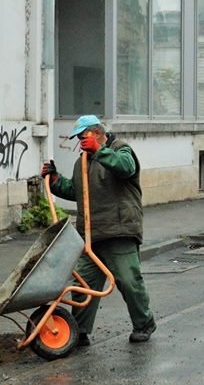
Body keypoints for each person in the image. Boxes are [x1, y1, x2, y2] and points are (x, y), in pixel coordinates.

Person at [41, 115, 156, 346]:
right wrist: (55, 180)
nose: (80, 143)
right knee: (84, 285)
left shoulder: (120, 149)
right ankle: (79, 331)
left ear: (96, 133)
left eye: (83, 137)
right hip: (90, 236)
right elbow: (76, 190)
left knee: (128, 280)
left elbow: (126, 168)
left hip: (119, 230)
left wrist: (100, 151)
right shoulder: (83, 161)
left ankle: (144, 323)